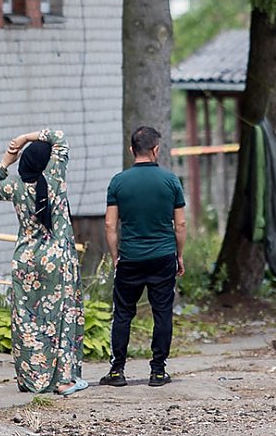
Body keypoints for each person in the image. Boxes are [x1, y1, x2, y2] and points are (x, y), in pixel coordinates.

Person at [0, 128, 88, 396]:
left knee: (27, 320)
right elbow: (60, 138)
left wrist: (7, 158)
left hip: (26, 260)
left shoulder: (15, 186)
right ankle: (63, 380)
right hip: (57, 259)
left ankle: (32, 380)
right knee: (62, 317)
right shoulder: (54, 179)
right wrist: (28, 137)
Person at [101, 126, 187, 388]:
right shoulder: (171, 181)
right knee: (162, 313)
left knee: (123, 314)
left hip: (130, 258)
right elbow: (180, 225)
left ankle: (117, 371)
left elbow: (109, 225)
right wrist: (179, 256)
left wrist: (116, 255)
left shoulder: (118, 181)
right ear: (156, 149)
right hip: (162, 257)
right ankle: (158, 372)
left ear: (131, 150)